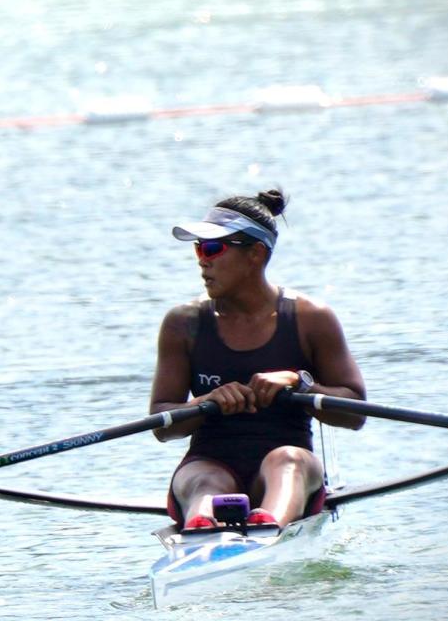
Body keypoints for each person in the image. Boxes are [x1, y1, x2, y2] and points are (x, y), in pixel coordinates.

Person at [149, 189, 366, 530]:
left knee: (288, 461)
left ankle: (269, 527)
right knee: (204, 480)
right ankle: (201, 527)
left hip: (289, 464)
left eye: (212, 248)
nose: (201, 260)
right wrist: (205, 401)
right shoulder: (183, 324)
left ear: (255, 254)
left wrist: (299, 382)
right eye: (198, 248)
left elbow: (355, 413)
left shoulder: (311, 318)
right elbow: (162, 424)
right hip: (209, 462)